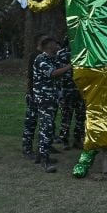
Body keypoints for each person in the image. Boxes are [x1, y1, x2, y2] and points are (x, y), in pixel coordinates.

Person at [30, 37, 72, 173]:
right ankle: (45, 160)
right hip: (44, 98)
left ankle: (40, 155)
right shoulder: (41, 59)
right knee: (46, 128)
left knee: (48, 126)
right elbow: (53, 73)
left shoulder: (51, 59)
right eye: (55, 43)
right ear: (48, 46)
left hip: (51, 98)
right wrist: (71, 66)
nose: (57, 45)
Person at [22, 33, 48, 160]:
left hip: (40, 94)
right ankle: (27, 148)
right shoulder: (36, 56)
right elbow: (31, 76)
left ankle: (42, 148)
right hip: (34, 94)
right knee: (31, 122)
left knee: (43, 122)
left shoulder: (44, 56)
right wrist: (30, 92)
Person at [57, 40, 86, 150]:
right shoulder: (61, 54)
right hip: (67, 90)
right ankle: (64, 140)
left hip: (80, 90)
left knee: (81, 116)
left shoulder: (83, 53)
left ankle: (77, 140)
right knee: (66, 117)